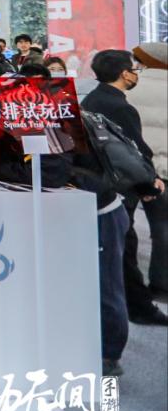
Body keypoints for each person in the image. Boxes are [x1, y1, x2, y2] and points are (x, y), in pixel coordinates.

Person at [82, 49, 168, 327]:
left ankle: (138, 304)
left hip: (105, 182)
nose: (136, 74)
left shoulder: (92, 99)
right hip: (124, 183)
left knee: (124, 245)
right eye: (134, 70)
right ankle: (140, 306)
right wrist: (147, 182)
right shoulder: (120, 107)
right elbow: (131, 151)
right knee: (128, 246)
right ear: (124, 74)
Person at [129, 43, 168, 299]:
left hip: (134, 166)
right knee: (163, 228)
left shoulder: (131, 88)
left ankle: (129, 280)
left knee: (125, 224)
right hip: (165, 169)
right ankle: (162, 284)